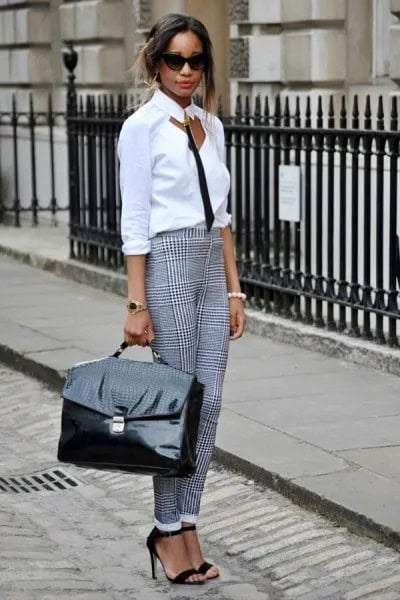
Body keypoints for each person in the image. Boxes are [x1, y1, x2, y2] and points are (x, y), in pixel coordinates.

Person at [118, 12, 245, 585]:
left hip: (210, 272)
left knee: (211, 400)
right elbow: (137, 220)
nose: (187, 70)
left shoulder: (210, 127)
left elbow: (221, 218)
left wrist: (235, 288)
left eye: (196, 60)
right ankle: (167, 528)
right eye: (176, 60)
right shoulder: (141, 127)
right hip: (166, 263)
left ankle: (189, 519)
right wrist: (136, 304)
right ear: (155, 63)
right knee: (177, 403)